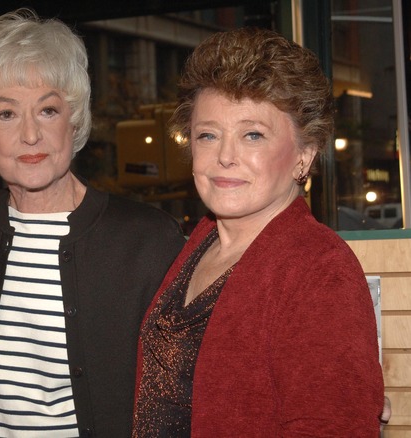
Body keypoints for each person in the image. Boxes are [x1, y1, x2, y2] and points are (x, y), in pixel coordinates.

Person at [0, 9, 185, 437]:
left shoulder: (148, 240)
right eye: (6, 114)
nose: (30, 135)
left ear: (74, 120)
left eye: (48, 110)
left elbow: (179, 396)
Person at [132, 27, 385, 436]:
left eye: (253, 135)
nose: (225, 157)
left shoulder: (321, 270)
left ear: (304, 154)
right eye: (208, 135)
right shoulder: (200, 245)